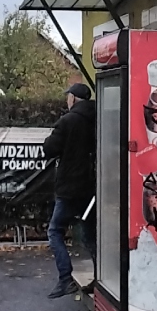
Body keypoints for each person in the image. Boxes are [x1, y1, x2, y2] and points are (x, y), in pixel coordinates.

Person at [42, 82, 97, 298]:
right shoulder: (99, 118)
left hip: (69, 188)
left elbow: (49, 149)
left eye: (68, 97)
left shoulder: (67, 121)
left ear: (73, 98)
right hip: (92, 187)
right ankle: (101, 278)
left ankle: (66, 279)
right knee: (90, 233)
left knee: (55, 231)